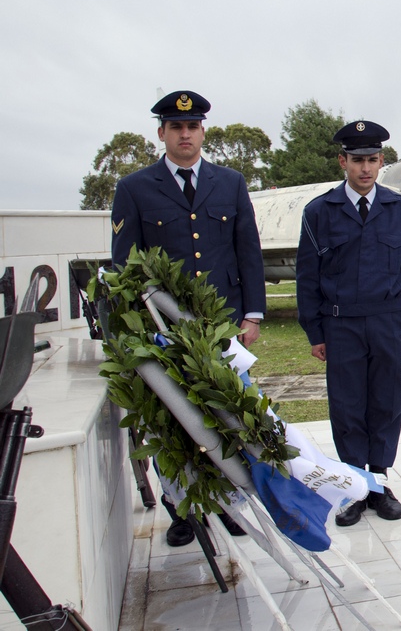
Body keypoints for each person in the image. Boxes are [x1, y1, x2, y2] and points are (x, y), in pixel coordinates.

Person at [111, 90, 266, 546]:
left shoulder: (230, 183)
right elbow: (125, 266)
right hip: (165, 331)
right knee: (172, 420)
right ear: (161, 133)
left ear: (202, 132)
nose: (185, 134)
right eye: (176, 127)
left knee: (229, 417)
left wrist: (252, 315)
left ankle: (231, 504)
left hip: (223, 328)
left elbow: (247, 251)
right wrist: (138, 331)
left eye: (193, 126)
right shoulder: (134, 189)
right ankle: (183, 510)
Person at [295, 120, 401, 527]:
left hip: (388, 324)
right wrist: (315, 332)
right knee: (347, 405)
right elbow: (307, 277)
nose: (365, 168)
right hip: (341, 327)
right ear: (343, 162)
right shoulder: (319, 212)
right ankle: (354, 487)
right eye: (357, 160)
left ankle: (379, 484)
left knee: (387, 402)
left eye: (372, 160)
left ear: (381, 161)